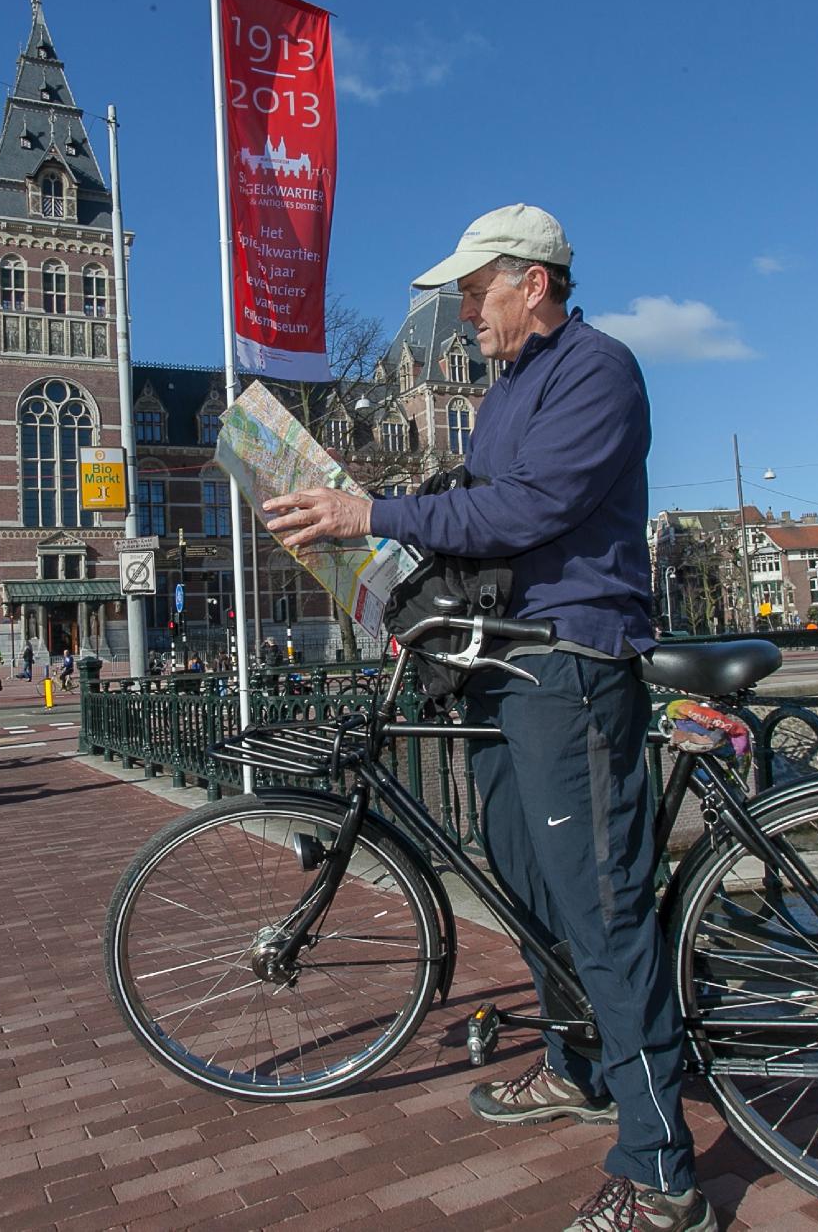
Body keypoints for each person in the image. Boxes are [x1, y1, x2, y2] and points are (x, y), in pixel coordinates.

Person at [264, 205, 706, 1232]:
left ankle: (661, 1174)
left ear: (532, 283)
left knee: (601, 907)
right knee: (530, 886)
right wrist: (396, 589)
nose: (462, 313)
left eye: (474, 291)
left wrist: (366, 514)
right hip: (498, 661)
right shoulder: (506, 389)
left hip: (569, 662)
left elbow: (528, 511)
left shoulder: (598, 369)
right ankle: (575, 1067)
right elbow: (470, 511)